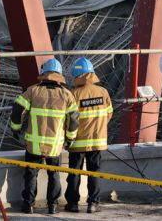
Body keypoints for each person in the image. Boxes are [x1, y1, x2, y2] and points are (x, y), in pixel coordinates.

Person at [10, 58, 79, 214]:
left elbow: (17, 110)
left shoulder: (32, 91)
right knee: (53, 175)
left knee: (30, 175)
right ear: (59, 74)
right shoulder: (66, 95)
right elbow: (74, 120)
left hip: (33, 144)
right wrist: (70, 138)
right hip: (55, 145)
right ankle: (52, 205)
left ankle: (28, 205)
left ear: (43, 73)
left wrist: (16, 129)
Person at [64, 57, 113, 214]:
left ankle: (73, 203)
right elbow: (109, 114)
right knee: (94, 173)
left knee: (74, 173)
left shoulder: (74, 94)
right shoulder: (103, 92)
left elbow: (69, 118)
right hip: (97, 141)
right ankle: (93, 203)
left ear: (78, 75)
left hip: (78, 142)